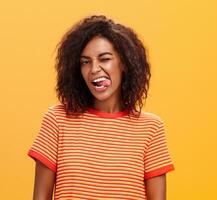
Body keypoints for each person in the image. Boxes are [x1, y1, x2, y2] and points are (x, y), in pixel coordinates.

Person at [28, 15, 174, 200]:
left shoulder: (151, 128)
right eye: (85, 62)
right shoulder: (57, 120)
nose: (94, 69)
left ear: (124, 64)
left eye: (104, 59)